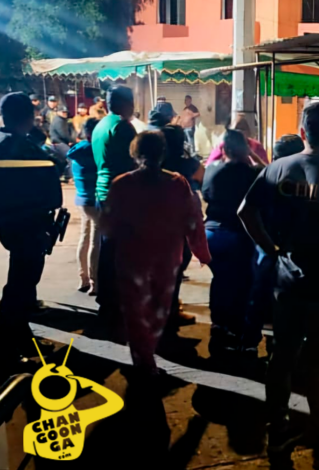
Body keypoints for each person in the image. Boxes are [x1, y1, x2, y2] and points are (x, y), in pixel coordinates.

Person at [238, 102, 319, 467]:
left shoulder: (277, 168)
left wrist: (271, 248)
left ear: (302, 133)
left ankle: (278, 429)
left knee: (282, 356)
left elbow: (245, 212)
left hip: (286, 282)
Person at [102, 131, 210, 376]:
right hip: (166, 259)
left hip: (132, 258)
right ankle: (147, 353)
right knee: (158, 309)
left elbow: (107, 225)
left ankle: (143, 358)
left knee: (135, 309)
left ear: (134, 153)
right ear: (162, 154)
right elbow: (193, 220)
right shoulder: (178, 183)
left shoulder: (122, 184)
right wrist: (201, 251)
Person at [0, 93, 62, 365]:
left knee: (19, 284)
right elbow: (54, 178)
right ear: (29, 116)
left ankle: (21, 337)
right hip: (27, 225)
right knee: (21, 286)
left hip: (10, 222)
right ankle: (10, 349)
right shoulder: (28, 149)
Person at [202, 130, 261, 355]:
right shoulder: (250, 173)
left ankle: (218, 324)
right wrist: (253, 156)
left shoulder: (211, 169)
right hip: (237, 234)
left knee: (220, 279)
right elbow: (268, 174)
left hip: (211, 234)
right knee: (242, 284)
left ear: (224, 149)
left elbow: (206, 196)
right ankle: (234, 332)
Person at [92, 86, 137, 325]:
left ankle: (106, 300)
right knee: (120, 250)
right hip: (120, 192)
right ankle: (114, 303)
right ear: (126, 104)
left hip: (102, 189)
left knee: (107, 246)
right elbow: (132, 161)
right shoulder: (122, 126)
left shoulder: (100, 125)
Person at [159, 124, 205, 331]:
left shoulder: (155, 163)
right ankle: (170, 311)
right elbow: (203, 181)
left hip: (155, 220)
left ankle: (162, 308)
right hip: (181, 222)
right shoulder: (188, 164)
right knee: (177, 266)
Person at [66, 118, 101, 295]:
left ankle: (83, 278)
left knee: (84, 238)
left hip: (81, 199)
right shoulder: (95, 150)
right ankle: (95, 282)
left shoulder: (77, 150)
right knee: (95, 241)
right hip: (94, 200)